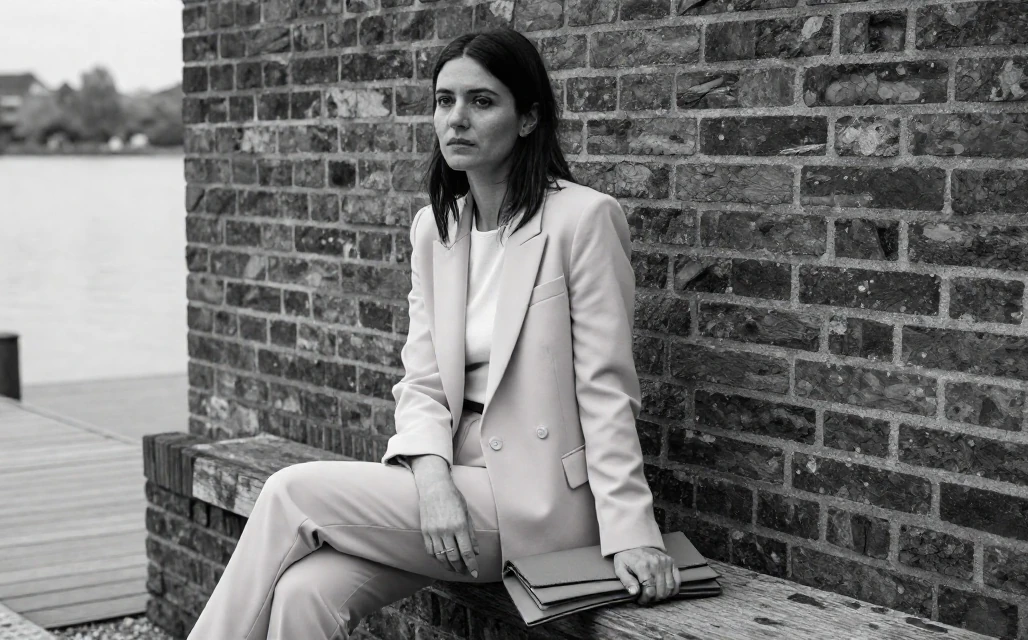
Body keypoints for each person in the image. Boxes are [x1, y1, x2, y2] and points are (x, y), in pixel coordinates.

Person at [186, 26, 678, 640]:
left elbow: (606, 392)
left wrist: (633, 532)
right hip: (446, 480)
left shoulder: (582, 219)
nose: (457, 119)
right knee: (303, 595)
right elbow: (420, 381)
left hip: (536, 497)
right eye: (445, 101)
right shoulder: (436, 230)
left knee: (291, 492)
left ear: (527, 119)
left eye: (481, 101)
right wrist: (433, 479)